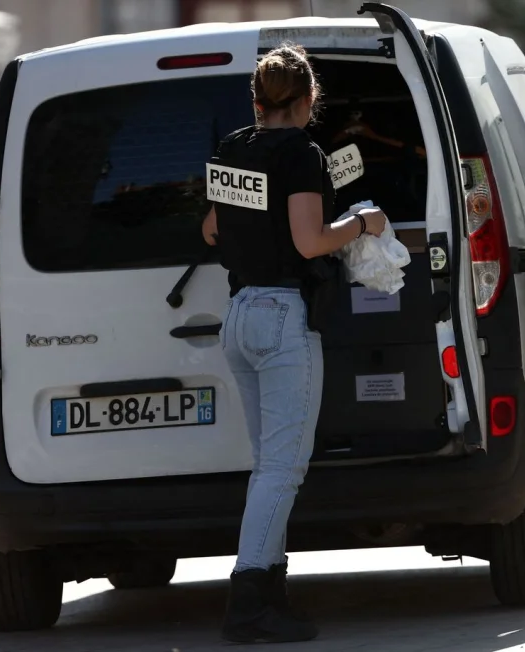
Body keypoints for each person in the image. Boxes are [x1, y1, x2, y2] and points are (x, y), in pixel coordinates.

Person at [201, 44, 387, 644]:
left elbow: (210, 229)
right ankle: (249, 600)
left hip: (238, 313)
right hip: (281, 316)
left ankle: (270, 595)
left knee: (270, 468)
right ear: (308, 102)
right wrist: (365, 224)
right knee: (283, 468)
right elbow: (310, 243)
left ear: (257, 101)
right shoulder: (303, 154)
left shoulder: (233, 147)